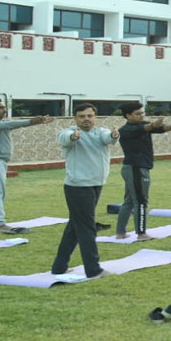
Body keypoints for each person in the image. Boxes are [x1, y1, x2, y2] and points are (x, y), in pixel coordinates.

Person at [50, 103, 119, 278]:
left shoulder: (100, 132)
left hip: (96, 184)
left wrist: (114, 134)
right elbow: (66, 138)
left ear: (95, 117)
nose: (86, 119)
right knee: (87, 228)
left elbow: (108, 138)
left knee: (75, 226)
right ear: (75, 118)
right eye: (82, 116)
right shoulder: (68, 132)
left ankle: (59, 266)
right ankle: (93, 269)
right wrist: (74, 136)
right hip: (78, 187)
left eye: (89, 116)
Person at [0, 99, 54, 231]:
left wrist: (37, 121)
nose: (4, 110)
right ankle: (0, 223)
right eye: (0, 108)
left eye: (4, 107)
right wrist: (32, 121)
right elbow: (13, 124)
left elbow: (9, 124)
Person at [114, 101, 171, 241]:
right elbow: (146, 129)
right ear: (128, 115)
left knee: (128, 201)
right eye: (138, 113)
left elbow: (156, 129)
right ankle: (141, 234)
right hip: (135, 168)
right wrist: (152, 125)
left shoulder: (142, 124)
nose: (142, 115)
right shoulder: (125, 130)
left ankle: (120, 233)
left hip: (136, 168)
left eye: (142, 113)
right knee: (141, 201)